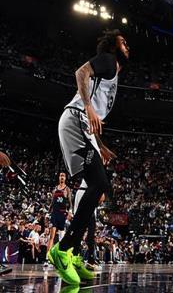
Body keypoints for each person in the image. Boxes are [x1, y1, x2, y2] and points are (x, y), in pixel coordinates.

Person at [49, 30, 129, 285]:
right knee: (99, 184)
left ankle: (72, 254)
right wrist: (87, 106)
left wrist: (100, 145)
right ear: (113, 46)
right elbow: (80, 73)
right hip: (75, 119)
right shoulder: (108, 60)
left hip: (84, 127)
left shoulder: (113, 72)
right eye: (123, 42)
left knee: (98, 189)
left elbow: (95, 111)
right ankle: (62, 250)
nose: (127, 46)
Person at [47, 172, 73, 254]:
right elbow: (52, 202)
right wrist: (48, 212)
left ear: (65, 178)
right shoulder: (55, 189)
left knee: (62, 236)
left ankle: (61, 254)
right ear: (59, 177)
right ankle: (48, 256)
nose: (62, 177)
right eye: (61, 176)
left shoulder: (67, 189)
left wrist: (70, 212)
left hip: (62, 213)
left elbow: (70, 202)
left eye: (63, 176)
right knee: (52, 236)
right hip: (54, 213)